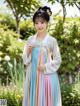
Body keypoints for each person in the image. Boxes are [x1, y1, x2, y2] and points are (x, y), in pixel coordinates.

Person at [22, 6, 62, 106]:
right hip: (33, 76)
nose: (39, 25)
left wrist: (45, 66)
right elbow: (25, 61)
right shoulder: (31, 39)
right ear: (34, 24)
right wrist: (28, 52)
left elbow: (58, 59)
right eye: (36, 23)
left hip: (47, 76)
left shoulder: (52, 40)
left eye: (42, 22)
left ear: (47, 23)